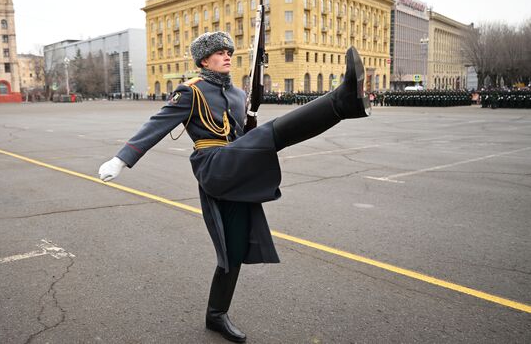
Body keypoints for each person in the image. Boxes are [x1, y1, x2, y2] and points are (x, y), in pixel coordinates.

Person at [98, 31, 370, 343]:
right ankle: (342, 103)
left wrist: (249, 126)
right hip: (213, 165)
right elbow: (155, 125)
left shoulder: (240, 95)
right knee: (272, 134)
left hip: (235, 163)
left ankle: (216, 315)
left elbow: (240, 135)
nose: (227, 55)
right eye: (219, 52)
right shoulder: (191, 92)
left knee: (234, 248)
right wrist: (120, 160)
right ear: (204, 60)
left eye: (229, 51)